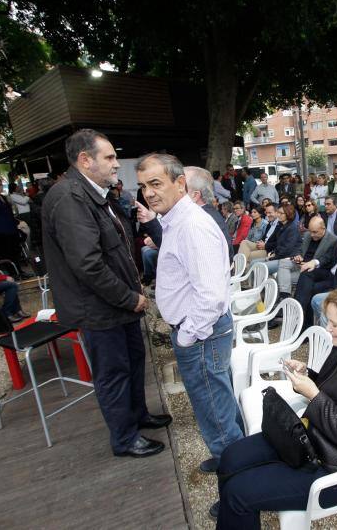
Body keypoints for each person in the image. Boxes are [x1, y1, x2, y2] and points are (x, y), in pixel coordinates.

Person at [216, 282, 337, 528]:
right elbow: (332, 391)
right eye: (329, 321)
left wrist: (313, 393)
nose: (328, 328)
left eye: (334, 324)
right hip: (311, 441)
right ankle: (232, 512)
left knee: (237, 493)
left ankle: (234, 507)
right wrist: (307, 375)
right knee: (230, 457)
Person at [43, 129, 170, 458]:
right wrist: (130, 297)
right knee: (113, 373)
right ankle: (125, 438)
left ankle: (138, 416)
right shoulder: (70, 198)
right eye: (110, 157)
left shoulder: (97, 194)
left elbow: (117, 247)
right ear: (85, 160)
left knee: (133, 362)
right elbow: (88, 264)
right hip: (100, 308)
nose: (116, 164)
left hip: (118, 303)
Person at [136, 153, 242, 480]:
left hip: (200, 334)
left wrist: (187, 334)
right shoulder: (176, 220)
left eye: (156, 183)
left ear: (180, 183)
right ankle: (229, 460)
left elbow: (211, 296)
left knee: (216, 412)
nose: (149, 193)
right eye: (143, 186)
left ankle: (236, 483)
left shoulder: (192, 225)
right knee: (215, 407)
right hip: (197, 332)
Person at [137, 166, 233, 262]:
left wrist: (151, 223)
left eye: (181, 186)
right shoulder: (201, 213)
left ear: (195, 195)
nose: (173, 191)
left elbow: (174, 247)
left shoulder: (199, 220)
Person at [293, 215, 337, 329]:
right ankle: (298, 313)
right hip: (330, 274)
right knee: (307, 272)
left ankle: (302, 323)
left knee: (312, 289)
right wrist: (314, 262)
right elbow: (328, 257)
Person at [275, 216, 337, 300]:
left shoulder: (333, 240)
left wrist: (312, 264)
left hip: (311, 271)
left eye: (315, 232)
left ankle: (284, 297)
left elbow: (327, 261)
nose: (312, 234)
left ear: (323, 228)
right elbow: (299, 249)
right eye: (310, 231)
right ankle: (285, 296)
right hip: (300, 263)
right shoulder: (307, 234)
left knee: (280, 277)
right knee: (283, 262)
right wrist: (298, 255)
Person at [0, 177, 25, 271]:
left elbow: (9, 212)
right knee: (6, 252)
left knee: (15, 250)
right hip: (0, 230)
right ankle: (13, 272)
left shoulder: (2, 197)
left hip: (10, 227)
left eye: (0, 185)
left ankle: (19, 271)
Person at [261, 203, 302, 274]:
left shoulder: (293, 228)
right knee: (254, 263)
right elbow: (278, 245)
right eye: (278, 212)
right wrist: (272, 254)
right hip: (278, 256)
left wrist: (272, 258)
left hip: (287, 260)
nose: (278, 215)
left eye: (281, 213)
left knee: (260, 267)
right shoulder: (281, 226)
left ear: (288, 214)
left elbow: (286, 250)